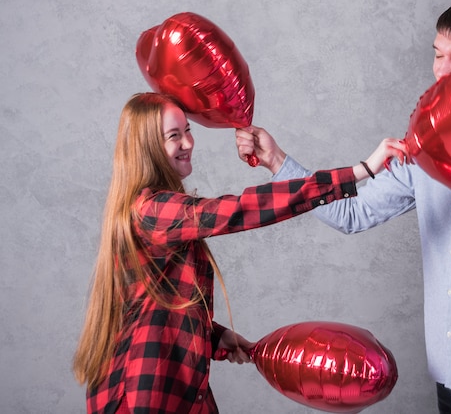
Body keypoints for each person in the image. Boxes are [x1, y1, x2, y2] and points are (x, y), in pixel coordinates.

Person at [235, 0, 451, 414]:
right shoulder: (422, 152)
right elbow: (351, 214)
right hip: (448, 386)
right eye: (438, 55)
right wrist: (278, 161)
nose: (442, 70)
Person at [73, 92, 407, 414]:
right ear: (147, 147)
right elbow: (240, 210)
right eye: (174, 136)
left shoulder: (154, 209)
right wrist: (360, 171)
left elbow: (158, 305)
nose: (188, 143)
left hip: (182, 391)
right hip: (146, 395)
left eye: (188, 130)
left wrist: (215, 335)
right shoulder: (151, 210)